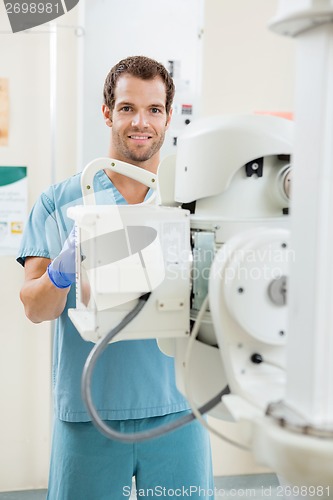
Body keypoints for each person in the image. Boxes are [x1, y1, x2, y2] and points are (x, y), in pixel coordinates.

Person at [17, 56, 214, 500]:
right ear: (107, 113)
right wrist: (63, 268)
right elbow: (35, 307)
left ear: (168, 114)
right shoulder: (60, 201)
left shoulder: (193, 199)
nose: (140, 122)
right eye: (127, 108)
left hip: (178, 408)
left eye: (154, 109)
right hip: (89, 410)